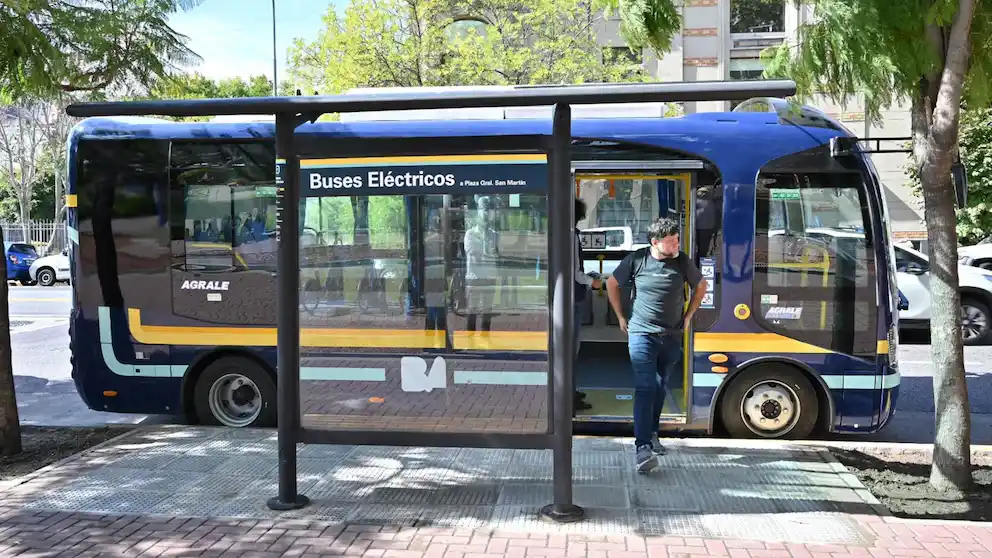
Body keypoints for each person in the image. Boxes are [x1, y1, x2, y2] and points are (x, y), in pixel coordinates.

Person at [606, 216, 707, 474]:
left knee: (661, 386)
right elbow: (612, 283)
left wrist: (688, 317)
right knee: (645, 386)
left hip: (671, 335)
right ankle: (642, 448)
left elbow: (701, 286)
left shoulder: (682, 261)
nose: (676, 245)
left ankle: (651, 434)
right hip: (641, 333)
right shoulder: (637, 260)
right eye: (671, 241)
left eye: (676, 240)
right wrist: (620, 317)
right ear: (655, 242)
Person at [573, 198, 600, 411]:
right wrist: (593, 282)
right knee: (572, 348)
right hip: (573, 298)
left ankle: (572, 391)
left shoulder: (568, 234)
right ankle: (570, 395)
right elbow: (574, 272)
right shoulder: (571, 236)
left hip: (572, 297)